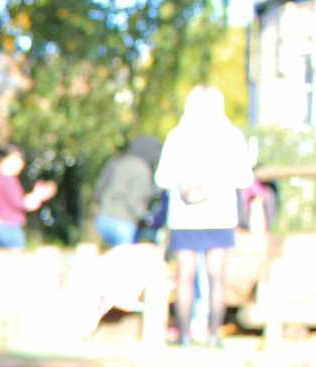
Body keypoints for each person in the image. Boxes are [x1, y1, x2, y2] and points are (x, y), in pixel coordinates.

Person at [154, 85, 254, 347]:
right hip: (219, 214)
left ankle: (185, 335)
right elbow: (244, 178)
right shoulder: (231, 136)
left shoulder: (178, 136)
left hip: (184, 216)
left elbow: (162, 178)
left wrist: (185, 186)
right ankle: (213, 335)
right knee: (216, 277)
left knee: (184, 276)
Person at [94, 136, 162, 248]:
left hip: (103, 218)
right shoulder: (142, 168)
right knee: (125, 260)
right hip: (123, 221)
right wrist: (147, 218)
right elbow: (134, 201)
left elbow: (99, 190)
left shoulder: (117, 162)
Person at [0, 145, 56, 249]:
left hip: (2, 225)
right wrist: (39, 195)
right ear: (7, 160)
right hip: (8, 227)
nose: (21, 164)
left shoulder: (0, 178)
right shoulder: (7, 180)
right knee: (17, 261)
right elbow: (21, 203)